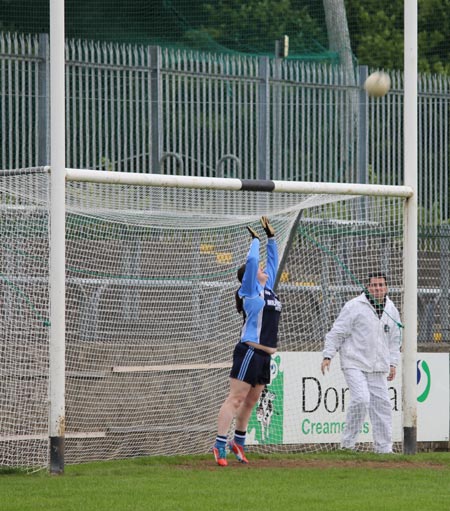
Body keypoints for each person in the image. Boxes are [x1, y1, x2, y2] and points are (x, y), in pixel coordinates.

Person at [212, 216, 282, 466]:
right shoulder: (249, 291)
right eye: (257, 271)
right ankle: (219, 444)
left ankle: (238, 444)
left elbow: (272, 263)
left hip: (265, 356)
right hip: (249, 352)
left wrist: (271, 239)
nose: (262, 269)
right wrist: (255, 241)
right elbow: (253, 261)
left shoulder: (268, 288)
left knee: (251, 402)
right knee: (236, 399)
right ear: (249, 278)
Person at [321, 272, 402, 454]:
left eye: (381, 285)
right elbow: (337, 332)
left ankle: (384, 448)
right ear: (368, 287)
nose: (377, 288)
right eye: (374, 285)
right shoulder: (354, 306)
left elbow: (395, 340)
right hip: (354, 362)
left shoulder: (392, 309)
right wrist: (328, 355)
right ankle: (347, 445)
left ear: (386, 287)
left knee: (382, 405)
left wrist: (393, 363)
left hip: (378, 366)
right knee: (361, 399)